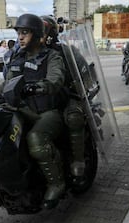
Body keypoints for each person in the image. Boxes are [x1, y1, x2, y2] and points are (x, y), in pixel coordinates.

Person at [0, 14, 66, 209]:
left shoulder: (52, 55)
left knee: (35, 139)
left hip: (47, 111)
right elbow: (7, 82)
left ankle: (57, 183)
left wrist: (37, 87)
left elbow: (56, 79)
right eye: (19, 33)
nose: (20, 37)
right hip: (24, 110)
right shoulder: (18, 57)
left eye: (25, 32)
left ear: (37, 35)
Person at [40, 15, 87, 179]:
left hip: (65, 95)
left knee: (74, 116)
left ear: (51, 32)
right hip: (37, 98)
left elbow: (84, 69)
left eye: (43, 30)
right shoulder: (26, 52)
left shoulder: (65, 50)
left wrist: (80, 85)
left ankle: (78, 160)